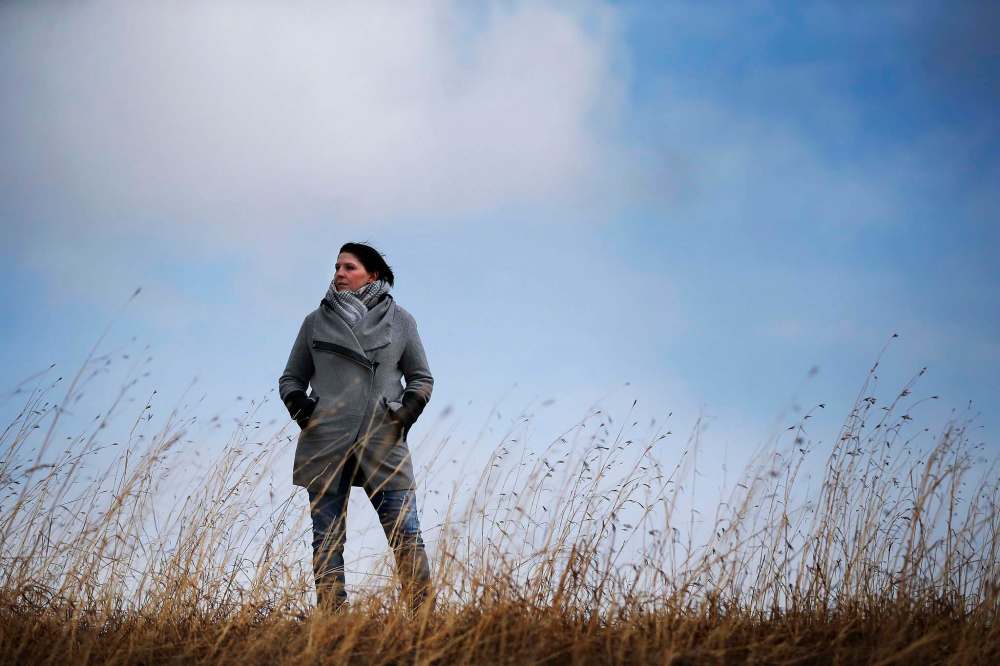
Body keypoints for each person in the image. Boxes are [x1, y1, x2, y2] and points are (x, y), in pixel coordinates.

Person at [278, 242, 434, 612]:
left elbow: (421, 378)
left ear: (372, 274)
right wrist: (306, 412)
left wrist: (403, 415)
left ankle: (424, 618)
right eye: (337, 267)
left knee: (407, 534)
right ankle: (333, 621)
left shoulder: (401, 320)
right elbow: (290, 379)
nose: (339, 274)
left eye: (349, 267)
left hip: (383, 438)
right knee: (326, 539)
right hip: (326, 440)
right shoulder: (315, 322)